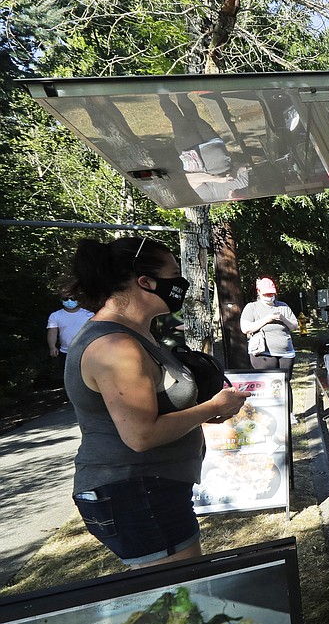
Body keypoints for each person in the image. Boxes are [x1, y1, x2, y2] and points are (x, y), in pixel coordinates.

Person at [66, 236, 249, 568]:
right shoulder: (115, 346)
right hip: (135, 491)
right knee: (180, 598)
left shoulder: (137, 332)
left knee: (177, 598)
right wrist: (213, 407)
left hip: (147, 488)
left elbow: (156, 406)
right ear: (146, 282)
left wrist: (201, 413)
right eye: (174, 273)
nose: (181, 282)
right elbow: (141, 436)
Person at [240, 278, 298, 372]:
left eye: (271, 294)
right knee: (269, 383)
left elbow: (294, 326)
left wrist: (283, 319)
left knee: (285, 383)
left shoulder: (283, 306)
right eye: (266, 294)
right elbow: (245, 328)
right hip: (263, 354)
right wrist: (267, 319)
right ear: (259, 292)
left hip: (286, 354)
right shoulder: (252, 307)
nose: (269, 296)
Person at [46, 285, 94, 382]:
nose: (69, 301)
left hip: (86, 352)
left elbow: (95, 332)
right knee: (70, 380)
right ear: (61, 299)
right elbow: (52, 331)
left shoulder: (89, 315)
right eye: (65, 298)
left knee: (88, 379)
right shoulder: (55, 316)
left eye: (72, 298)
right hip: (66, 353)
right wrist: (52, 347)